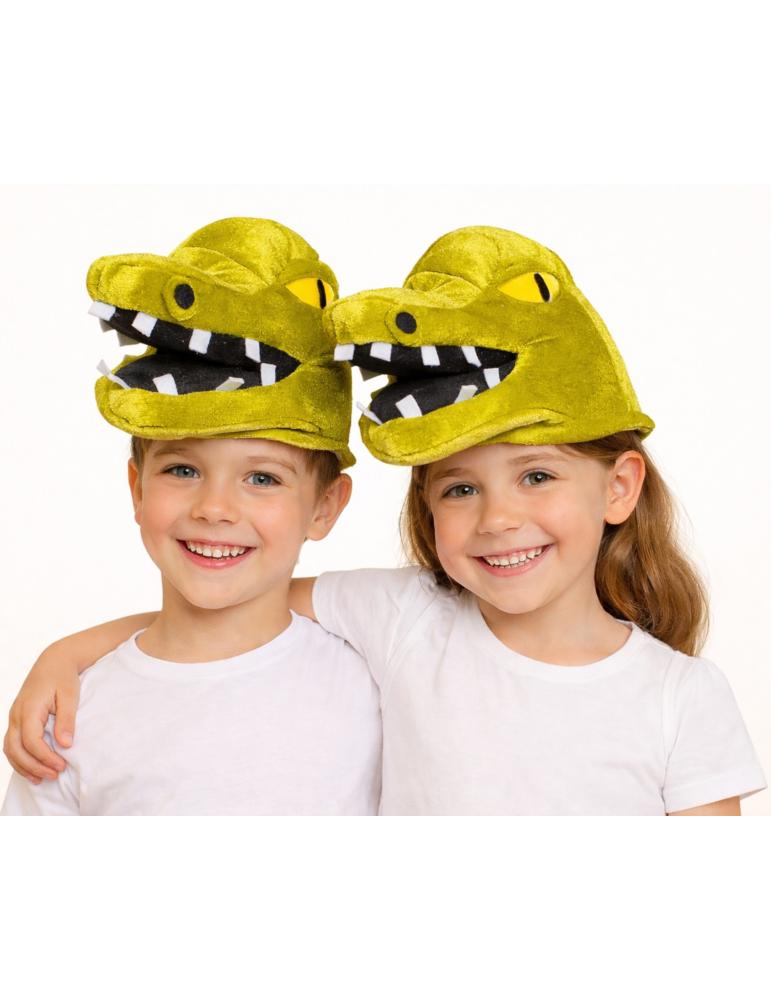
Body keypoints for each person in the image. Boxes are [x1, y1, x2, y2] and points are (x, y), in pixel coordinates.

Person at [5, 225, 765, 815]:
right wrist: (68, 654)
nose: (499, 519)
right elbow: (244, 602)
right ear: (425, 503)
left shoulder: (682, 697)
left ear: (619, 487)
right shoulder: (406, 621)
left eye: (536, 476)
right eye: (459, 489)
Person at [1, 217, 381, 815]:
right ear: (137, 487)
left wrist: (66, 649)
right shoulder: (68, 717)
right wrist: (65, 655)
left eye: (262, 478)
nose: (214, 509)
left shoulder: (381, 672)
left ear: (325, 507)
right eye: (182, 470)